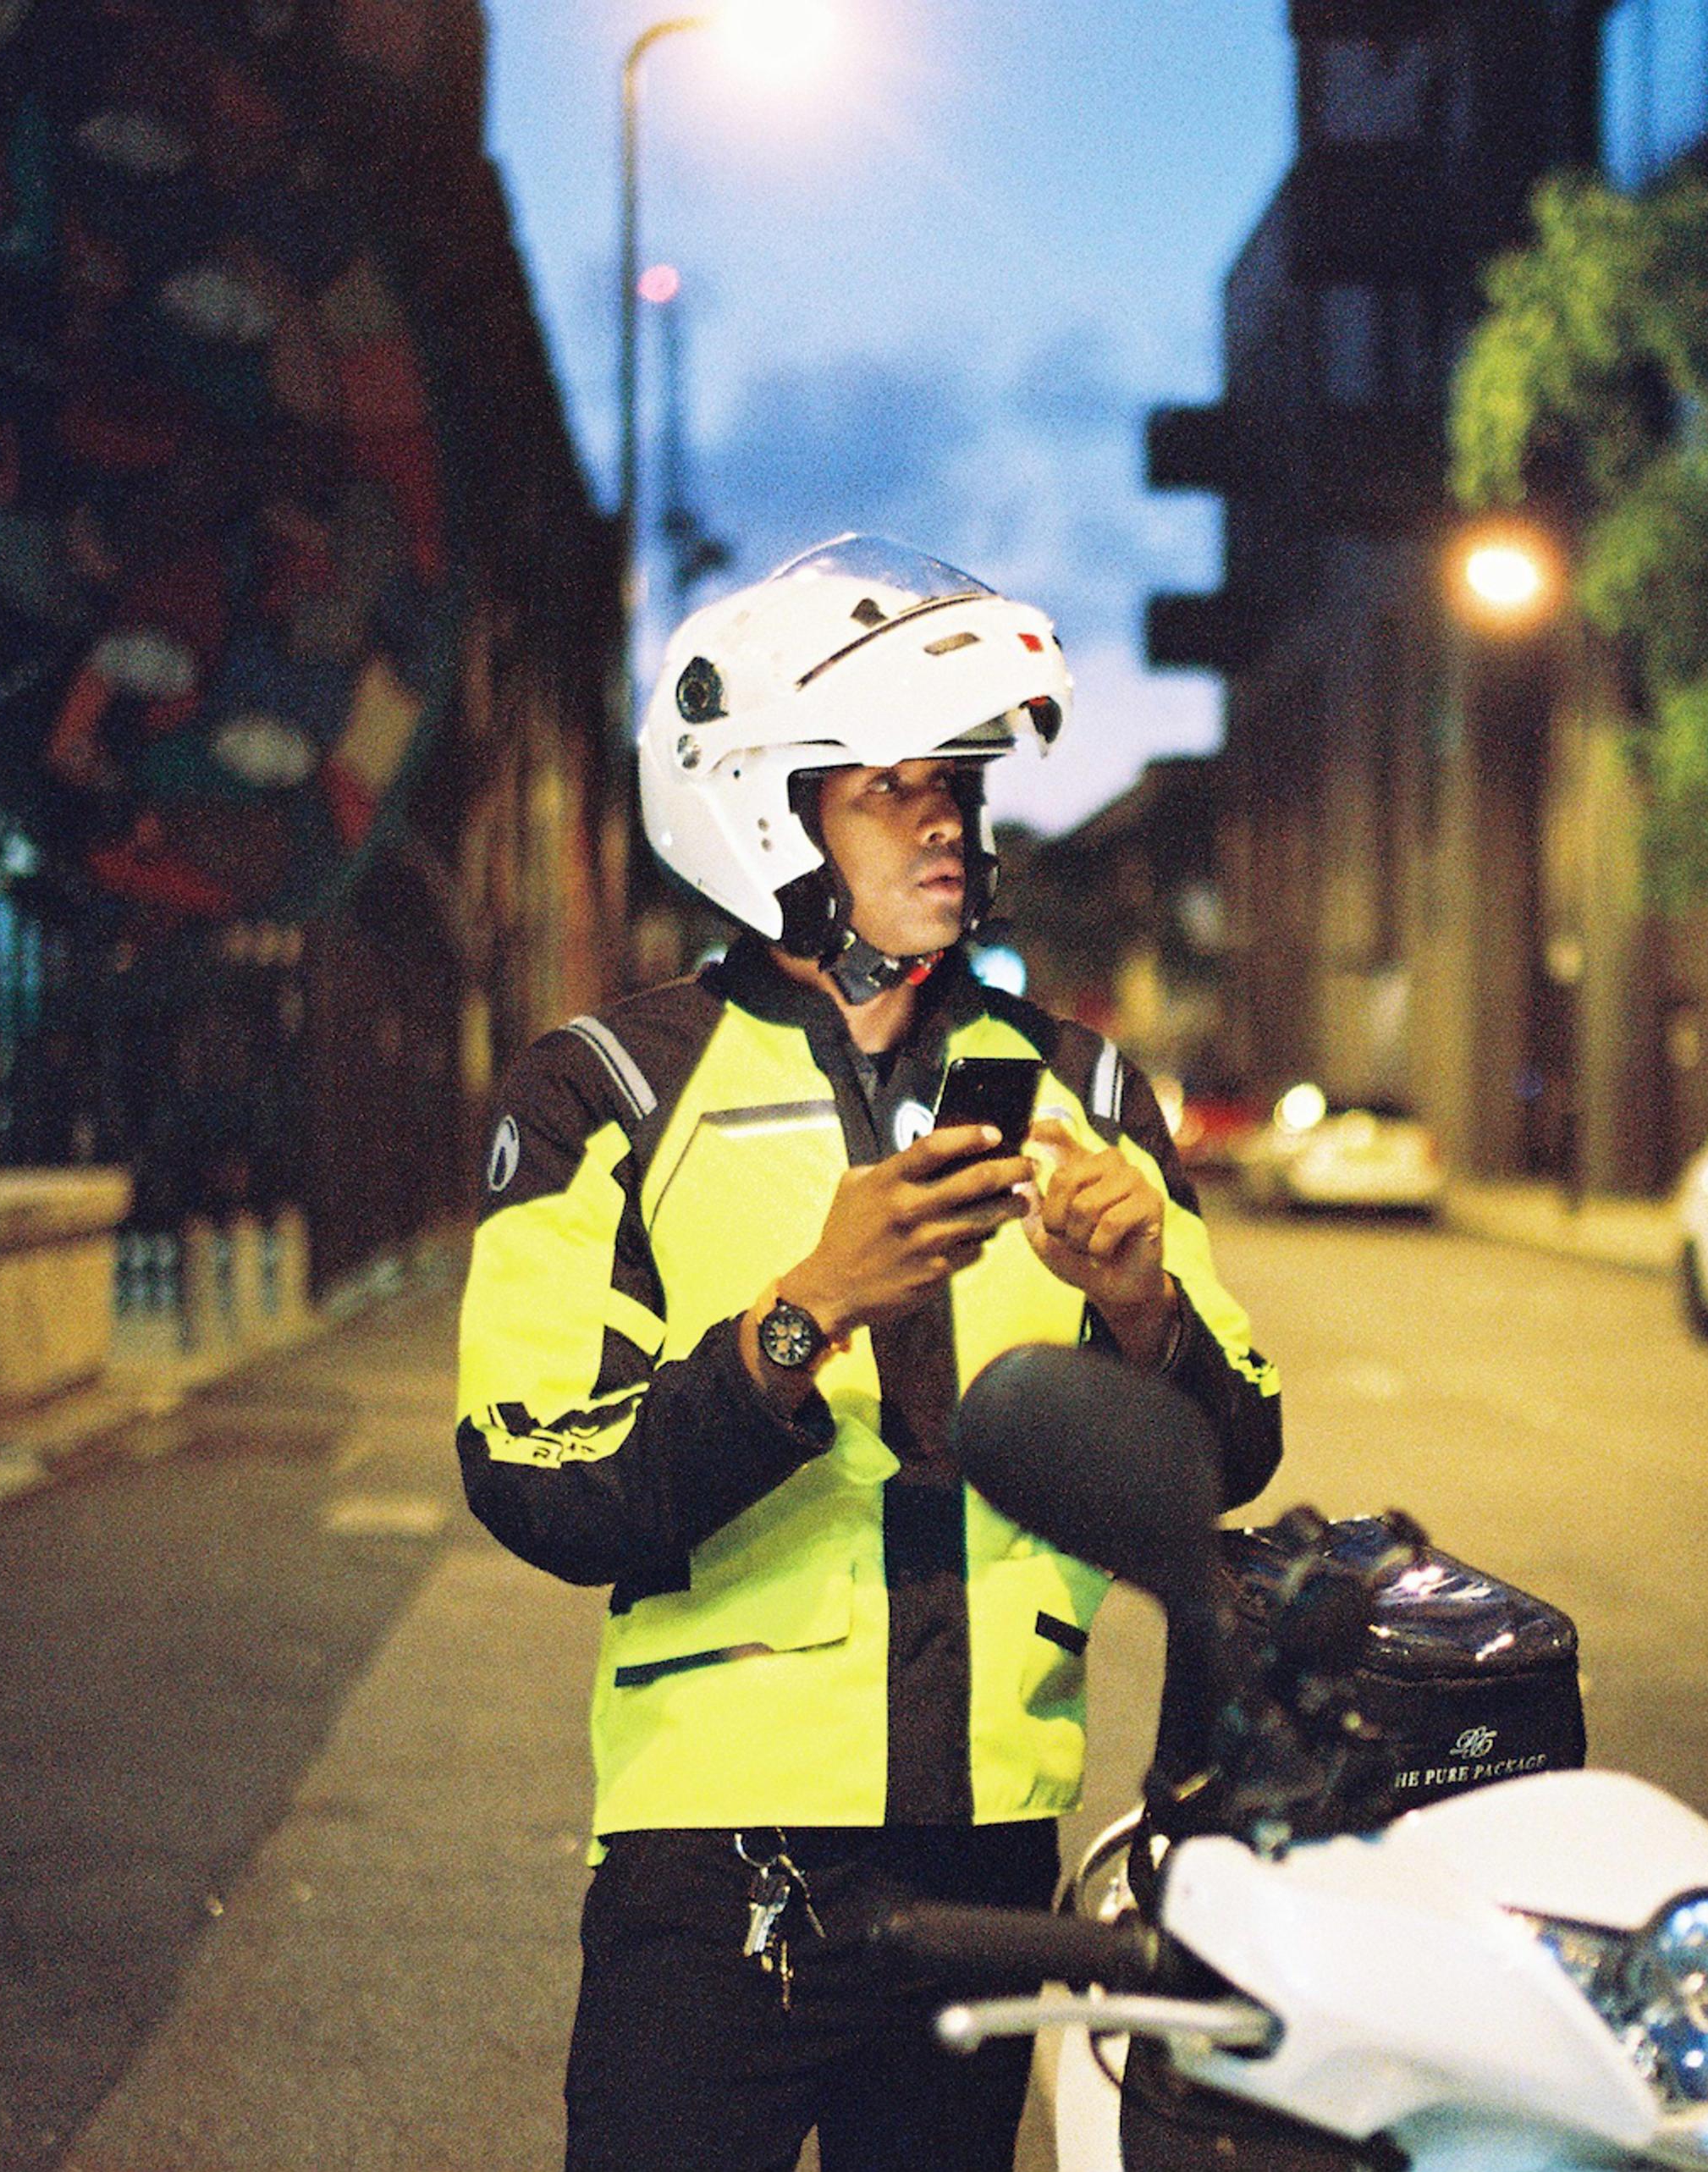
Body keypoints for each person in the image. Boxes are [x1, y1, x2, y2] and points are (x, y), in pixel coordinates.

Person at [455, 536, 1284, 2172]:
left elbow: (1235, 1451)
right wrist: (798, 1316)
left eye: (956, 784)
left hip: (989, 1864)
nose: (945, 823)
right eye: (888, 786)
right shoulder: (605, 1088)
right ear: (767, 809)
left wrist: (1139, 1309)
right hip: (714, 1870)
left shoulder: (1085, 1087)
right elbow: (537, 1471)